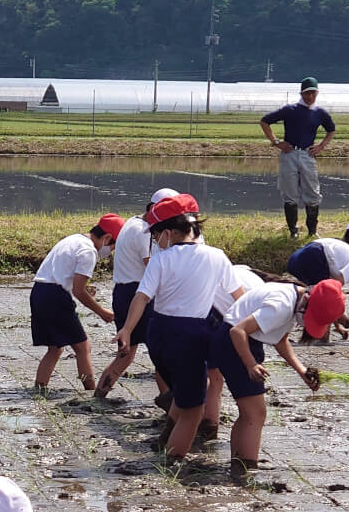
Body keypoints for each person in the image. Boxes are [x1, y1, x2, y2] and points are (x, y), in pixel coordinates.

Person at [115, 194, 247, 462]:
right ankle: (172, 465)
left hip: (159, 333)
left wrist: (127, 330)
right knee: (193, 410)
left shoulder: (162, 259)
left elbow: (142, 297)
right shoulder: (216, 256)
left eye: (155, 234)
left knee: (186, 392)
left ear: (169, 232)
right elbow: (240, 297)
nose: (154, 240)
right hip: (190, 336)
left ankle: (166, 437)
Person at [213, 279, 340, 480]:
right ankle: (245, 472)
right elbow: (237, 331)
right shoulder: (281, 305)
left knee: (249, 413)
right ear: (307, 299)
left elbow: (280, 340)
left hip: (241, 344)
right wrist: (250, 364)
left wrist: (302, 371)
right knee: (256, 414)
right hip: (236, 346)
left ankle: (239, 464)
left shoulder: (292, 298)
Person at [94, 188, 176, 401]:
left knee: (126, 354)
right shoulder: (145, 232)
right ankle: (168, 400)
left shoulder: (132, 223)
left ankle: (99, 396)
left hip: (123, 292)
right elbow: (153, 269)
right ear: (153, 209)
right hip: (137, 294)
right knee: (160, 351)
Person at [30, 214, 124, 392]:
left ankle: (39, 388)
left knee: (55, 348)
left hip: (39, 292)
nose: (110, 252)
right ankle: (90, 392)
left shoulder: (74, 239)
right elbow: (78, 291)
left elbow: (66, 276)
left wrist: (85, 289)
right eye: (112, 247)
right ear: (107, 238)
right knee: (83, 346)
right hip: (55, 297)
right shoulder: (89, 252)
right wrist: (102, 312)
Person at [259, 77, 335, 240]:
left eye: (312, 93)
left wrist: (321, 146)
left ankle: (312, 231)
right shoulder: (290, 110)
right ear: (301, 93)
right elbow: (264, 121)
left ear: (317, 93)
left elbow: (331, 130)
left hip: (308, 154)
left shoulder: (320, 113)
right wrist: (276, 142)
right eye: (306, 93)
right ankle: (293, 230)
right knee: (290, 193)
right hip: (290, 154)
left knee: (312, 192)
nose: (309, 97)